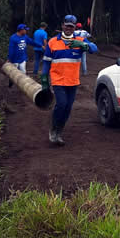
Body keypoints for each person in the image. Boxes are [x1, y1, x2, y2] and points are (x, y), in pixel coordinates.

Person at [41, 14, 98, 146]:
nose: (69, 28)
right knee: (61, 104)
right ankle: (53, 130)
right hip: (58, 80)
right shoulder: (53, 42)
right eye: (67, 26)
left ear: (74, 28)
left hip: (73, 81)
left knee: (68, 108)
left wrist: (83, 44)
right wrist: (44, 80)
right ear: (62, 25)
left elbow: (95, 49)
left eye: (71, 27)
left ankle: (59, 132)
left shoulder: (79, 39)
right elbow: (46, 63)